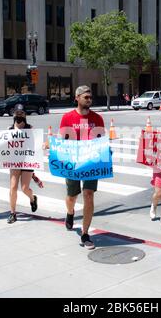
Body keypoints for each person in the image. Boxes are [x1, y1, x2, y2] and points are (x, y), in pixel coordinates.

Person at [59, 85, 105, 249]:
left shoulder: (97, 119)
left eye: (90, 97)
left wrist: (106, 152)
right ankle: (70, 213)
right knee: (72, 196)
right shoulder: (67, 118)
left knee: (88, 195)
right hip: (73, 163)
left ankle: (85, 234)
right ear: (77, 98)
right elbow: (62, 141)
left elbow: (101, 141)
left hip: (91, 163)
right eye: (86, 97)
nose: (89, 100)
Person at [6, 104, 38, 224]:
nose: (19, 115)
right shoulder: (9, 130)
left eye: (21, 113)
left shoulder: (30, 128)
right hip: (14, 161)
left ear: (25, 114)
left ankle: (32, 198)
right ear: (13, 114)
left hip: (27, 161)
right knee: (13, 187)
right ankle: (12, 213)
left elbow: (36, 145)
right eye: (17, 113)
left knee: (24, 188)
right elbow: (5, 146)